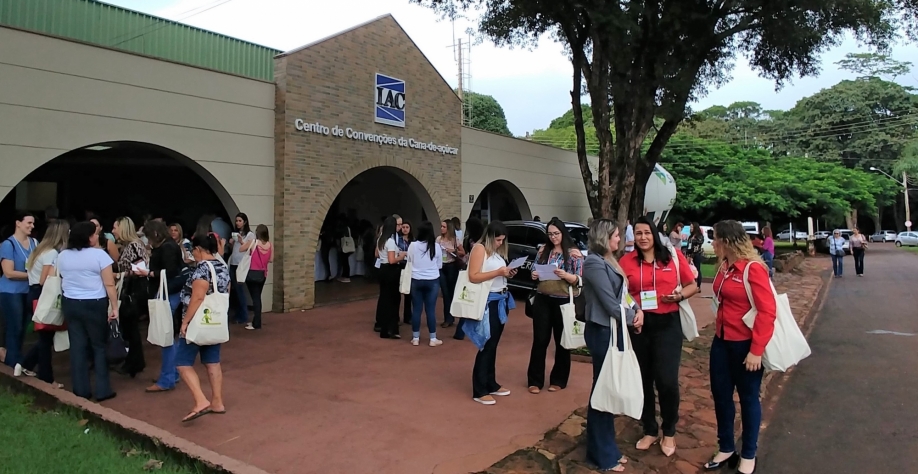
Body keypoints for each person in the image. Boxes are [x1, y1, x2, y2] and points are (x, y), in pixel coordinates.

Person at [620, 216, 698, 457]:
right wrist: (635, 309)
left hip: (667, 323)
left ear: (654, 234)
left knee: (666, 380)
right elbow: (621, 293)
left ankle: (670, 430)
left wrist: (679, 296)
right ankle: (650, 429)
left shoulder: (672, 256)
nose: (643, 237)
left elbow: (692, 285)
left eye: (647, 233)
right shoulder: (626, 260)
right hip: (639, 324)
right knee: (642, 379)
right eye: (639, 233)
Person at [704, 220, 777, 474]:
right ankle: (726, 446)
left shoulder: (753, 269)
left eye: (715, 239)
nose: (712, 244)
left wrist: (756, 350)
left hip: (745, 345)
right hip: (722, 342)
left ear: (726, 241)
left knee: (748, 398)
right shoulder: (724, 267)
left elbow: (767, 312)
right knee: (721, 396)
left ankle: (748, 453)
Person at [581, 218, 643, 472]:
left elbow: (622, 295)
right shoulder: (594, 263)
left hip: (613, 329)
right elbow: (609, 302)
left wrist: (636, 309)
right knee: (603, 390)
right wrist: (632, 319)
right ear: (604, 237)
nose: (620, 239)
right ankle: (602, 455)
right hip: (601, 331)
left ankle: (606, 449)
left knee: (606, 388)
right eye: (616, 235)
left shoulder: (608, 260)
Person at [57, 221, 119, 401]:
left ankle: (81, 389)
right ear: (88, 237)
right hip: (95, 302)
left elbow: (61, 276)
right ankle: (103, 389)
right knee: (98, 346)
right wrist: (114, 306)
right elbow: (109, 283)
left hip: (71, 302)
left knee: (77, 346)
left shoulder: (63, 255)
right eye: (94, 234)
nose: (96, 236)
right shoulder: (99, 255)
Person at [176, 233, 230, 422]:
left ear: (198, 249)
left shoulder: (201, 270)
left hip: (198, 322)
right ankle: (217, 402)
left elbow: (197, 297)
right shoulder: (222, 266)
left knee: (182, 362)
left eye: (194, 251)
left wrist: (185, 322)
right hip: (215, 322)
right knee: (212, 361)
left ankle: (200, 400)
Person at [527, 217, 583, 394]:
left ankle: (558, 379)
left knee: (562, 341)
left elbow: (580, 278)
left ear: (563, 233)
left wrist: (566, 275)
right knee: (540, 340)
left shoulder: (573, 253)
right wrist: (534, 274)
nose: (553, 237)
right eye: (550, 234)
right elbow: (533, 270)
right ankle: (535, 380)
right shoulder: (544, 251)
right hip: (543, 298)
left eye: (556, 233)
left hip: (563, 300)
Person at [464, 221, 517, 405]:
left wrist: (506, 273)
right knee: (486, 344)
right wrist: (498, 272)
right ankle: (479, 389)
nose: (500, 243)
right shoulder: (480, 248)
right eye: (498, 240)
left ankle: (490, 382)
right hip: (489, 302)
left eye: (503, 240)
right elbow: (473, 276)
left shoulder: (495, 252)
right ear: (490, 237)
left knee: (493, 344)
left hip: (501, 300)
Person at [16, 219, 69, 387]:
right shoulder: (52, 253)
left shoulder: (38, 250)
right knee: (46, 339)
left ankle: (25, 364)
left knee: (44, 336)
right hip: (43, 294)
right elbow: (45, 279)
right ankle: (46, 378)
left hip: (33, 293)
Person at [136, 220, 187, 393]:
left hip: (167, 292)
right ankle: (172, 373)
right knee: (169, 334)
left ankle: (167, 378)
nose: (148, 241)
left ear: (155, 235)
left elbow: (170, 271)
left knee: (165, 335)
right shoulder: (170, 245)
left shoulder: (166, 248)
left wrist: (149, 273)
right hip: (172, 291)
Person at [112, 216, 147, 378]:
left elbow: (141, 270)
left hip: (133, 292)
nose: (113, 231)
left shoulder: (134, 246)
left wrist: (120, 275)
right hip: (131, 291)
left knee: (131, 328)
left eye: (115, 227)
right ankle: (134, 361)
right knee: (130, 328)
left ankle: (135, 362)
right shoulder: (130, 245)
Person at [1, 211, 37, 368]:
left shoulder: (35, 242)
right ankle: (14, 362)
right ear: (18, 223)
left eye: (33, 223)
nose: (32, 226)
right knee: (14, 326)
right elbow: (8, 272)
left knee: (23, 327)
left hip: (27, 291)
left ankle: (15, 360)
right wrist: (32, 276)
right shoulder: (8, 244)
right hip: (11, 291)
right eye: (28, 222)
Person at [407, 221, 443, 346]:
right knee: (430, 310)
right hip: (432, 280)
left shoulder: (412, 245)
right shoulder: (436, 246)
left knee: (416, 309)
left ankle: (415, 337)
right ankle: (433, 338)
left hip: (416, 279)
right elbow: (439, 265)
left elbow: (409, 260)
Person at [374, 216, 404, 339]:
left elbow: (376, 254)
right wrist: (401, 256)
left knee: (384, 298)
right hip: (391, 270)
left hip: (382, 268)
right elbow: (392, 260)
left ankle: (383, 326)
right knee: (392, 300)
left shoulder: (381, 239)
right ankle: (390, 328)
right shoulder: (390, 241)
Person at [228, 213, 255, 324]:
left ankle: (244, 315)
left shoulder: (250, 235)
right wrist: (232, 242)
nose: (238, 223)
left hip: (241, 264)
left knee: (240, 290)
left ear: (244, 222)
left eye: (240, 220)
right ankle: (239, 313)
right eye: (236, 221)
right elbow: (234, 249)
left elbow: (248, 247)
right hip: (234, 263)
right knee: (234, 289)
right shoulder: (237, 233)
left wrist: (240, 241)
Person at [245, 225, 273, 330]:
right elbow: (271, 259)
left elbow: (241, 249)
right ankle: (256, 321)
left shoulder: (254, 243)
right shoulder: (270, 245)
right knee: (257, 297)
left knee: (255, 298)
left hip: (252, 273)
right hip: (263, 274)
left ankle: (257, 322)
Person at [437, 220, 464, 329]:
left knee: (452, 291)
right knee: (445, 292)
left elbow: (463, 252)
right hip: (441, 266)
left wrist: (454, 251)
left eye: (444, 226)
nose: (442, 228)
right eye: (441, 226)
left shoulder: (454, 240)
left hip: (452, 266)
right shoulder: (438, 239)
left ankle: (452, 315)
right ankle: (447, 318)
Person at [687, 223, 705, 288]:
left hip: (696, 255)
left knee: (697, 269)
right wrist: (687, 254)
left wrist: (692, 255)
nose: (690, 229)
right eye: (690, 227)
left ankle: (698, 285)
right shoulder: (690, 236)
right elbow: (688, 246)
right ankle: (692, 284)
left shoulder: (699, 236)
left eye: (692, 227)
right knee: (690, 269)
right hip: (690, 255)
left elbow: (698, 244)